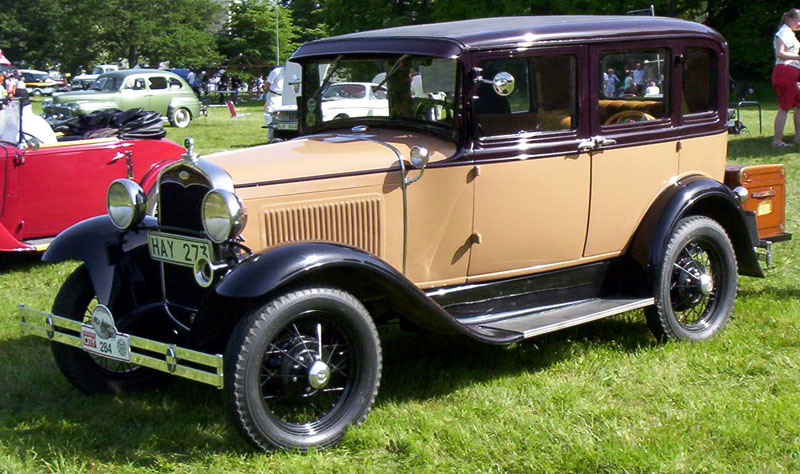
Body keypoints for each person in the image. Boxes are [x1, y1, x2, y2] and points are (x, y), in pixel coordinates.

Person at [772, 8, 800, 147]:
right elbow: (780, 53)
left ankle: (798, 138)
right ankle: (777, 141)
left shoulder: (790, 33)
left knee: (799, 105)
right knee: (785, 107)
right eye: (798, 19)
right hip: (785, 72)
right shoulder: (784, 32)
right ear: (789, 20)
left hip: (791, 73)